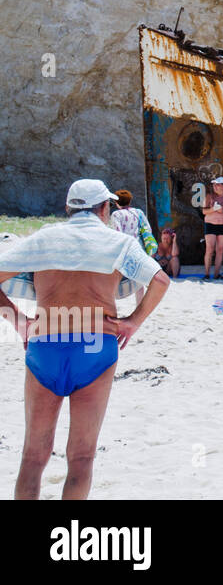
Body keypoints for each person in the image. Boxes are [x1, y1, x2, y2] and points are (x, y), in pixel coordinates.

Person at [0, 179, 170, 499]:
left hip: (46, 342)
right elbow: (160, 279)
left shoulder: (44, 239)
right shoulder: (117, 243)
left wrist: (18, 321)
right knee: (81, 457)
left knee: (33, 456)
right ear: (104, 208)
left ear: (69, 208)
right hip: (96, 344)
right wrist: (132, 322)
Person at [202, 176, 223, 280]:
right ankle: (206, 274)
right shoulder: (209, 196)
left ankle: (216, 274)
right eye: (214, 185)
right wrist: (213, 209)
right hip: (210, 225)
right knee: (210, 249)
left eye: (217, 184)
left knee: (220, 250)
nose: (215, 186)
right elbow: (204, 211)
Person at [110, 189, 155, 255]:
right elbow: (148, 229)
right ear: (129, 201)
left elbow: (117, 233)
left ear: (116, 202)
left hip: (126, 250)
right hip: (139, 248)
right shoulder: (138, 212)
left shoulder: (116, 214)